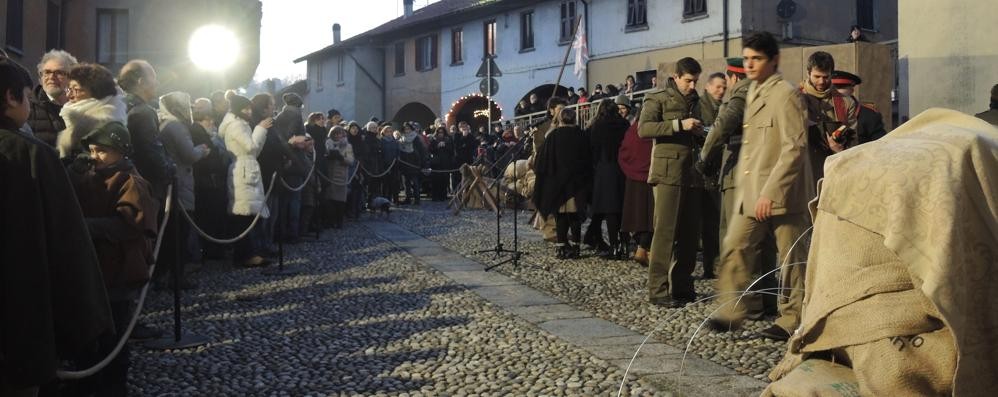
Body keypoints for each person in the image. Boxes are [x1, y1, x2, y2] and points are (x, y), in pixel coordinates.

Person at [0, 57, 113, 396]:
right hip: (16, 312)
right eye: (26, 95)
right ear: (10, 97)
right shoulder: (32, 155)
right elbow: (68, 244)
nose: (30, 103)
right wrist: (88, 322)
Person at [709, 31, 814, 341]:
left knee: (792, 259)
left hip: (784, 194)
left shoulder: (786, 94)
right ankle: (731, 310)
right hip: (752, 192)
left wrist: (771, 192)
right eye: (747, 58)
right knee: (734, 247)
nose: (750, 64)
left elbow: (794, 148)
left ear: (774, 60)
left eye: (757, 59)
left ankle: (792, 319)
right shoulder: (753, 92)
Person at [69, 121, 158, 396]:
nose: (96, 156)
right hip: (93, 267)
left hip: (118, 268)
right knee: (89, 332)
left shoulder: (131, 181)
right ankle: (87, 383)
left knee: (114, 335)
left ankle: (113, 386)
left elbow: (129, 224)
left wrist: (85, 226)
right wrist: (73, 173)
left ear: (120, 151)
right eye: (93, 150)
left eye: (103, 151)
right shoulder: (90, 174)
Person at [701, 57, 778, 320]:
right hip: (764, 172)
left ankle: (748, 304)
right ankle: (767, 300)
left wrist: (704, 157)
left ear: (733, 77)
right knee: (764, 240)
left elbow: (722, 126)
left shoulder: (741, 94)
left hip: (738, 174)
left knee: (737, 240)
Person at [637, 57, 704, 308]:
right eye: (688, 81)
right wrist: (679, 124)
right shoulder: (658, 98)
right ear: (676, 77)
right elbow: (644, 129)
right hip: (667, 173)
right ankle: (658, 290)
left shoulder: (695, 101)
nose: (692, 85)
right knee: (665, 234)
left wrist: (698, 130)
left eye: (695, 81)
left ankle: (683, 287)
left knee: (689, 235)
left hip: (691, 173)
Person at [158, 91, 210, 289]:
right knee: (178, 233)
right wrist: (202, 150)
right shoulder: (175, 126)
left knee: (173, 233)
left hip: (176, 182)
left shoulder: (166, 124)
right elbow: (189, 154)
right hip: (180, 182)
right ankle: (176, 277)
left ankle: (168, 275)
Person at [219, 95, 272, 267]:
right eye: (245, 109)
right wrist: (260, 129)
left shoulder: (240, 124)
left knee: (248, 215)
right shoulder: (236, 125)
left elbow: (254, 151)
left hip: (246, 167)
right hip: (243, 170)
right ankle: (244, 255)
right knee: (243, 216)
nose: (249, 111)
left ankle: (248, 253)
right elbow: (251, 147)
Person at [533, 108, 592, 259]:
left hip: (557, 183)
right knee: (575, 216)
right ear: (574, 119)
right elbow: (588, 159)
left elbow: (541, 161)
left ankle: (560, 248)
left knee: (560, 217)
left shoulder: (553, 136)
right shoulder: (582, 135)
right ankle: (576, 248)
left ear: (560, 119)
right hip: (576, 183)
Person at [118, 60, 176, 201]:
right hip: (144, 190)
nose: (157, 84)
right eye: (153, 78)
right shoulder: (144, 113)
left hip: (122, 187)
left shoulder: (117, 107)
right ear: (141, 81)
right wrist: (171, 169)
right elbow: (154, 157)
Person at [800, 51, 858, 181]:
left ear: (831, 74)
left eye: (826, 77)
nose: (821, 81)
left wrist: (839, 149)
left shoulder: (846, 103)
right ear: (808, 73)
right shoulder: (795, 98)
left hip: (834, 171)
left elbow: (854, 141)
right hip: (803, 172)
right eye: (817, 76)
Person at [588, 98, 632, 259]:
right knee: (622, 209)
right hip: (623, 169)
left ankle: (614, 246)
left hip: (604, 169)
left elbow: (593, 149)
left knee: (610, 211)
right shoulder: (624, 125)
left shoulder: (597, 126)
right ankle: (625, 243)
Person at [56, 63, 127, 159]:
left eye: (76, 90)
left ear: (97, 92)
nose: (69, 95)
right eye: (69, 89)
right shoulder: (78, 118)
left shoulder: (104, 122)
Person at [191, 97, 230, 260]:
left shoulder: (211, 129)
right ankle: (210, 251)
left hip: (216, 178)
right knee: (208, 217)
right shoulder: (195, 129)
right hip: (206, 179)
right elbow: (208, 154)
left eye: (202, 107)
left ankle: (217, 249)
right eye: (197, 107)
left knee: (217, 216)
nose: (198, 110)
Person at [617, 94, 655, 266]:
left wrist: (629, 171)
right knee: (649, 218)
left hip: (633, 179)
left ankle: (643, 248)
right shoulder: (652, 131)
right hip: (650, 179)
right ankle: (643, 249)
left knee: (638, 216)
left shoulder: (632, 130)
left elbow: (623, 153)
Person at [697, 72, 727, 279]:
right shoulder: (701, 106)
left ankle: (714, 263)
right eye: (717, 86)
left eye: (724, 87)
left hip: (718, 170)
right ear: (707, 86)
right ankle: (711, 264)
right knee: (709, 222)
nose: (721, 90)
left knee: (715, 221)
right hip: (705, 170)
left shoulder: (722, 107)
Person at [28, 50, 77, 146]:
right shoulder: (27, 107)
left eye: (59, 72)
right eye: (47, 72)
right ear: (40, 78)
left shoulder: (81, 107)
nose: (51, 77)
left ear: (71, 78)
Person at [831, 70, 887, 143]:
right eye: (832, 88)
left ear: (851, 90)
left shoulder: (869, 115)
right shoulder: (820, 110)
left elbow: (880, 144)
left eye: (840, 87)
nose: (836, 92)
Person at [323, 125, 354, 228]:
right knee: (330, 200)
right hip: (329, 175)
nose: (337, 136)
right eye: (335, 134)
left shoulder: (347, 146)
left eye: (339, 133)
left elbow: (350, 161)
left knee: (340, 201)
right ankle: (331, 221)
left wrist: (341, 158)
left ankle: (339, 221)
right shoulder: (327, 144)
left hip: (341, 176)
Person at [398, 121, 428, 205]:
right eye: (405, 129)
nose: (407, 130)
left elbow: (422, 151)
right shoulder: (401, 139)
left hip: (414, 162)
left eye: (408, 128)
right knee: (406, 182)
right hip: (405, 162)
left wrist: (423, 164)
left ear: (411, 129)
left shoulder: (416, 138)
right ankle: (408, 198)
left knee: (415, 182)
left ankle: (417, 199)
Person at [429, 126, 455, 201]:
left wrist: (445, 145)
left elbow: (451, 151)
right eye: (439, 132)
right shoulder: (433, 140)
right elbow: (430, 149)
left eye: (442, 132)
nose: (440, 134)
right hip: (436, 163)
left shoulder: (448, 140)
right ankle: (435, 196)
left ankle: (443, 195)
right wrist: (437, 146)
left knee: (445, 180)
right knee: (436, 180)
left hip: (445, 162)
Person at [380, 125, 401, 204]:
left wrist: (397, 158)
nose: (389, 133)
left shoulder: (395, 141)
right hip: (385, 165)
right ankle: (386, 200)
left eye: (390, 131)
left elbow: (398, 151)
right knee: (386, 183)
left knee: (395, 182)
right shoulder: (381, 141)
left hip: (394, 164)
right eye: (387, 131)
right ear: (384, 132)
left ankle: (395, 199)